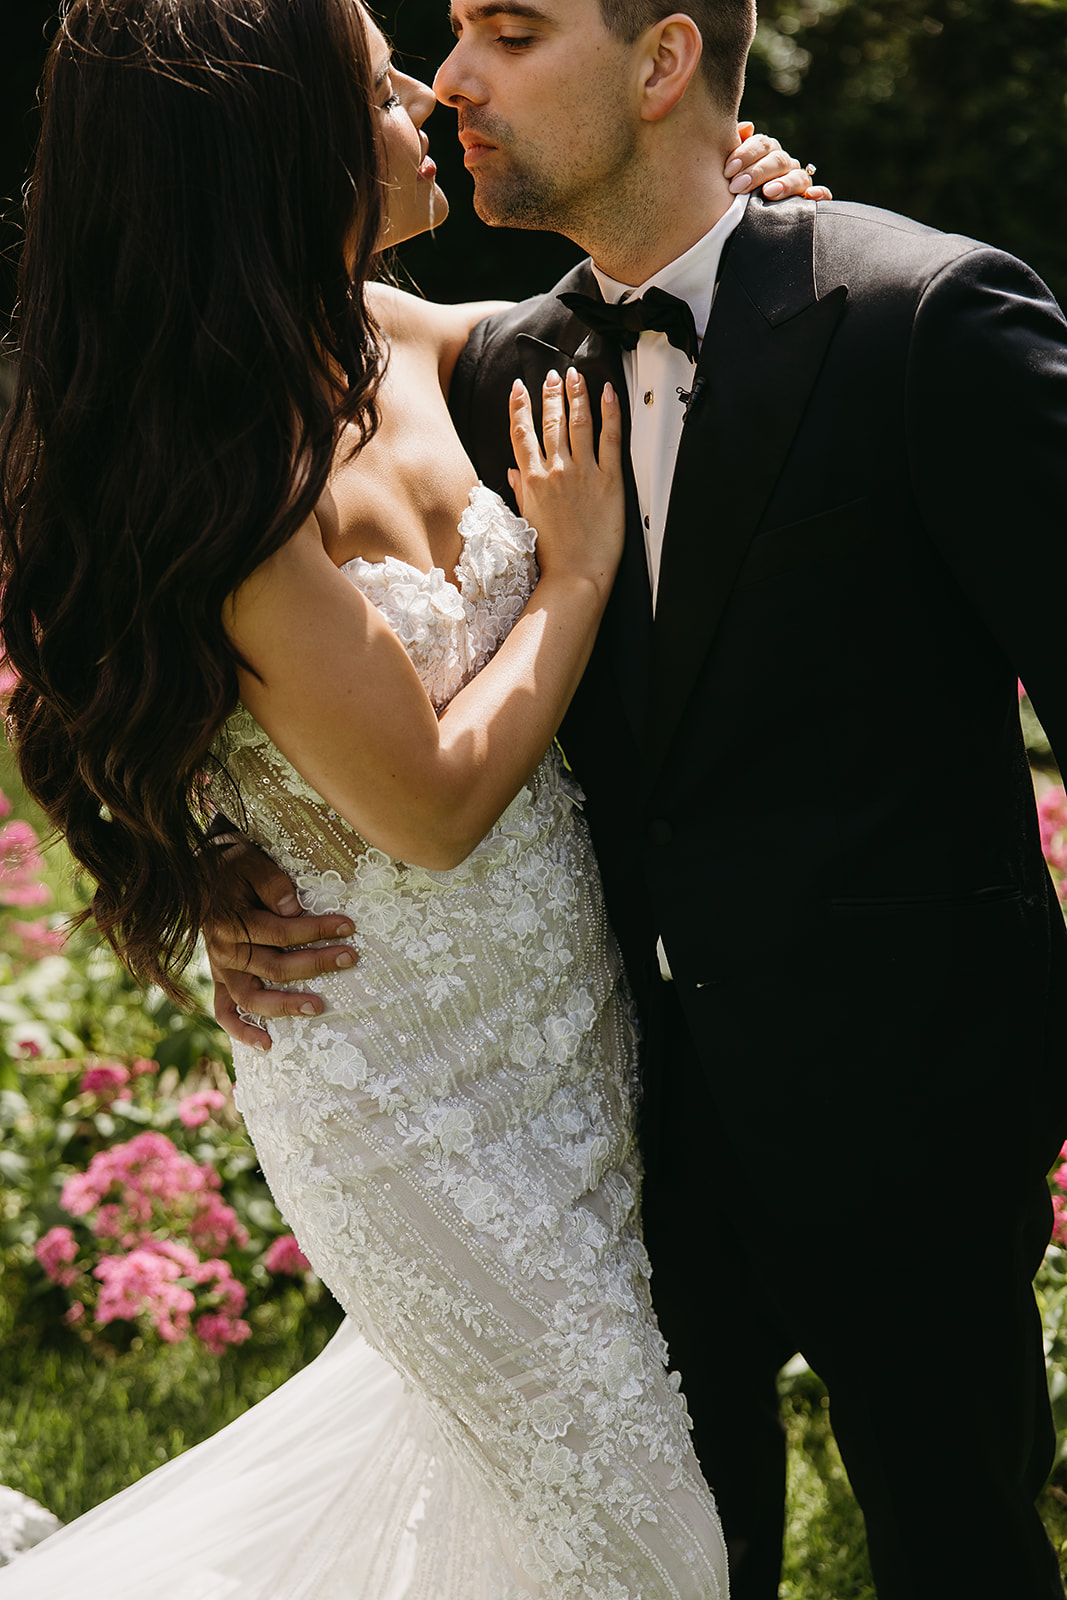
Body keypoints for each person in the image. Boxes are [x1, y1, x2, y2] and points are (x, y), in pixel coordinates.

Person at [208, 2, 1067, 1598]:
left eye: (508, 31)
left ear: (663, 63)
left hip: (912, 1118)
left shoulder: (922, 317)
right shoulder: (496, 374)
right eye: (450, 34)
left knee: (966, 1552)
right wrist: (191, 869)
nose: (451, 77)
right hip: (610, 1137)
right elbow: (173, 623)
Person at [0, 1, 816, 1595]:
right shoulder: (237, 478)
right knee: (645, 1541)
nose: (427, 93)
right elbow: (433, 808)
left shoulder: (409, 340)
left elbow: (620, 297)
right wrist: (571, 577)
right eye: (380, 80)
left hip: (565, 1058)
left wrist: (735, 195)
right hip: (402, 1101)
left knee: (496, 1518)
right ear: (278, 146)